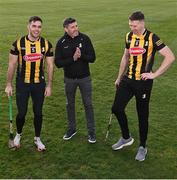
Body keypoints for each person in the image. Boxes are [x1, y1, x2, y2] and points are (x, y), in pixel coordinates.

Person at [111, 11, 175, 161]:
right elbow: (125, 56)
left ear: (142, 23)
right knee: (116, 108)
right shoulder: (128, 36)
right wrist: (119, 77)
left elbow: (170, 57)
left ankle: (142, 146)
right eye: (130, 25)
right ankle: (126, 138)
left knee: (142, 115)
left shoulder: (152, 38)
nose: (132, 28)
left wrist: (154, 74)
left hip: (143, 83)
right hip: (127, 80)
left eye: (134, 25)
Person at [5, 16, 54, 151]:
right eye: (34, 26)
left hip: (39, 84)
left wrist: (49, 85)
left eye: (39, 26)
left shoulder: (46, 44)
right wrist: (8, 84)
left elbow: (50, 66)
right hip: (23, 83)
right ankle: (18, 135)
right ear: (28, 26)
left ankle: (37, 138)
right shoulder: (18, 44)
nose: (37, 29)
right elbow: (12, 64)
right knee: (22, 113)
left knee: (38, 112)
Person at [55, 17, 96, 143]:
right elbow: (58, 63)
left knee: (88, 105)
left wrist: (81, 56)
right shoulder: (61, 42)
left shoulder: (85, 38)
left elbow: (92, 58)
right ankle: (72, 129)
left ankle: (91, 132)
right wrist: (72, 58)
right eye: (72, 27)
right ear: (66, 29)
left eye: (76, 26)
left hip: (85, 79)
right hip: (69, 80)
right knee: (70, 105)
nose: (76, 29)